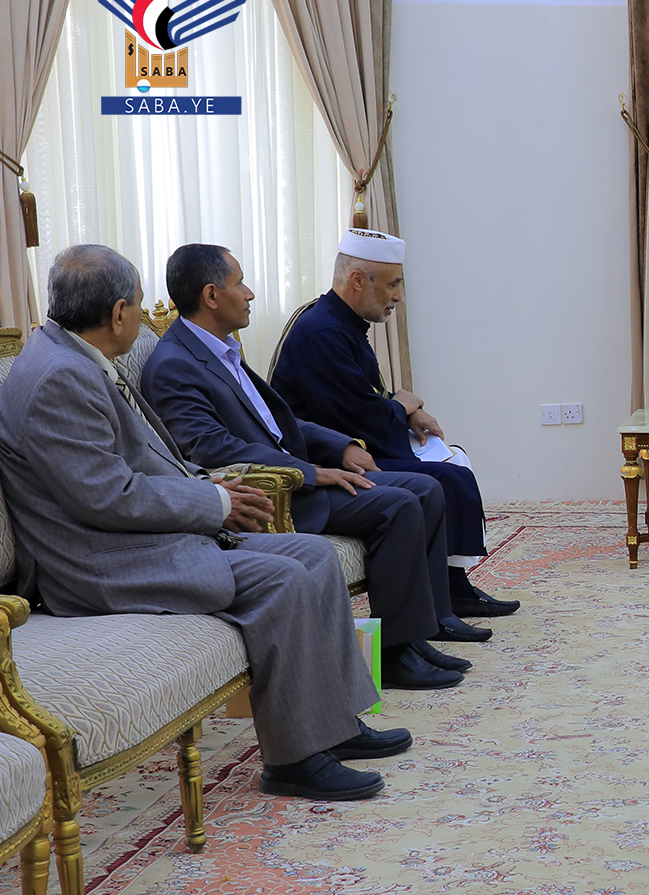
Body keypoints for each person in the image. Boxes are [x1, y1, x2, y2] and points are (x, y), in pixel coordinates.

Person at [0, 245, 404, 801]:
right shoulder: (58, 380)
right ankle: (295, 761)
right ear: (118, 313)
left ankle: (338, 725)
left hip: (134, 538)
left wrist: (206, 488)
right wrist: (213, 502)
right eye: (138, 307)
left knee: (314, 555)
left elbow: (146, 458)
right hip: (99, 563)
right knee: (282, 580)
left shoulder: (73, 354)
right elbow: (108, 498)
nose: (141, 319)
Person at [141, 243, 487, 689]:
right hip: (274, 493)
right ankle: (396, 654)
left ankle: (420, 633)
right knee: (400, 504)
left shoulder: (218, 347)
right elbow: (212, 448)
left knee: (424, 488)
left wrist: (340, 446)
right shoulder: (174, 364)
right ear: (211, 295)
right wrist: (310, 472)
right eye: (240, 283)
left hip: (298, 469)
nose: (249, 294)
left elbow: (277, 420)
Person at [270, 227, 519, 618]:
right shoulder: (320, 334)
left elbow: (363, 397)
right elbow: (353, 417)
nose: (398, 296)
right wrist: (402, 405)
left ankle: (456, 587)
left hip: (355, 442)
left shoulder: (341, 324)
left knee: (455, 458)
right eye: (392, 285)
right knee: (448, 475)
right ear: (357, 280)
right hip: (332, 455)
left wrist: (407, 408)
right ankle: (448, 596)